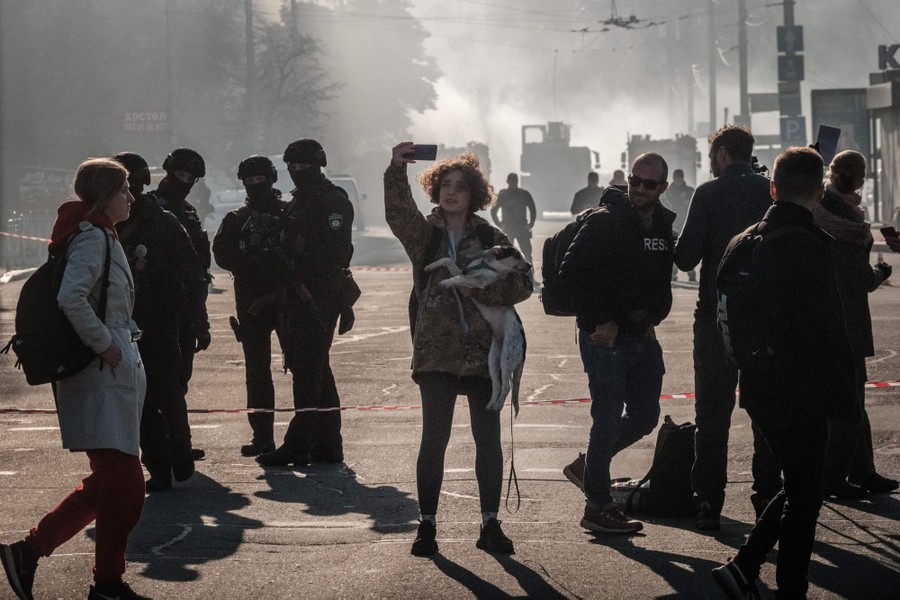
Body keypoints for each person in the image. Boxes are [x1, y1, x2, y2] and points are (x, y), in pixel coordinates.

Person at [712, 146, 860, 599]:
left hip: (757, 381)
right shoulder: (810, 246)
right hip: (802, 386)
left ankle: (744, 567)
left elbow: (724, 315)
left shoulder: (742, 242)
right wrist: (845, 397)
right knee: (805, 494)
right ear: (817, 192)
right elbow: (827, 327)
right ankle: (786, 586)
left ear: (773, 187)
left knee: (800, 484)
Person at [1, 159, 150, 600]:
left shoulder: (102, 235)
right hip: (98, 376)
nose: (131, 197)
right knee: (125, 487)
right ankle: (106, 582)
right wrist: (107, 345)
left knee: (107, 484)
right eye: (125, 190)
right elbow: (72, 297)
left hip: (110, 375)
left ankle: (31, 553)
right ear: (106, 194)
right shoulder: (92, 238)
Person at [385, 142, 533, 556]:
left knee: (487, 441)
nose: (451, 192)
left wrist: (483, 285)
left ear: (474, 195)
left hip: (483, 353)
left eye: (460, 187)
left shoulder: (490, 236)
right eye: (444, 185)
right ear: (436, 191)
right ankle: (427, 526)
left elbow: (524, 282)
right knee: (434, 439)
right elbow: (397, 211)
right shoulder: (425, 236)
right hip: (435, 351)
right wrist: (396, 167)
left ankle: (489, 525)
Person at [558, 152, 675, 534]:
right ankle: (598, 507)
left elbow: (657, 280)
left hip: (642, 335)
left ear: (663, 187)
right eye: (635, 181)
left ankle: (585, 468)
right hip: (604, 338)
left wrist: (652, 318)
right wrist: (600, 319)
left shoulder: (661, 224)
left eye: (649, 184)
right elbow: (570, 273)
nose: (640, 189)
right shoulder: (606, 221)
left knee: (645, 417)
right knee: (606, 420)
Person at [673, 125, 781, 531]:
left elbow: (685, 259)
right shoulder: (771, 190)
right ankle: (767, 497)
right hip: (765, 317)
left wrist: (666, 231)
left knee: (712, 411)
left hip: (716, 315)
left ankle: (708, 500)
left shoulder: (708, 193)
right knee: (765, 409)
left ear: (720, 154)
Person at [254, 139, 354, 466]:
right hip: (298, 292)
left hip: (320, 294)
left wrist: (298, 261)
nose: (297, 173)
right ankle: (328, 444)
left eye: (303, 167)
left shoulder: (332, 200)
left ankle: (299, 444)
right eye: (292, 168)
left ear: (318, 164)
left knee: (308, 372)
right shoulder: (299, 201)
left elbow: (336, 252)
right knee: (315, 370)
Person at [113, 151, 207, 492]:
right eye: (124, 185)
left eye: (133, 185)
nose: (130, 192)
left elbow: (195, 274)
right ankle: (158, 463)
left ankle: (179, 450)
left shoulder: (163, 221)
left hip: (160, 319)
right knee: (136, 398)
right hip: (119, 324)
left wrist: (199, 320)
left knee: (165, 390)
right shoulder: (101, 225)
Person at [814, 150, 897, 498]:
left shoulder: (823, 208)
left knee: (853, 402)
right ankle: (835, 478)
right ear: (859, 178)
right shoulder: (849, 220)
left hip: (829, 318)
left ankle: (864, 471)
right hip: (847, 321)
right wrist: (882, 271)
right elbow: (858, 278)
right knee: (848, 405)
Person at [213, 155, 290, 458]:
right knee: (257, 373)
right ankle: (263, 436)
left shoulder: (290, 215)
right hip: (250, 303)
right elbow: (221, 254)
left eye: (261, 179)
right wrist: (252, 262)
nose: (256, 185)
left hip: (287, 300)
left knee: (303, 368)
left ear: (272, 179)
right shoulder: (235, 220)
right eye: (251, 181)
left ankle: (306, 434)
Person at [146, 148, 212, 424]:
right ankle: (163, 442)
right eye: (179, 174)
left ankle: (176, 439)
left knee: (181, 375)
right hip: (158, 307)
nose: (184, 181)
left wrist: (201, 318)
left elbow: (198, 266)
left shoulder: (188, 211)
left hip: (186, 304)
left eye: (190, 177)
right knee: (160, 379)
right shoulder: (149, 208)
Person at [490, 173, 537, 263]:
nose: (513, 183)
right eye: (511, 181)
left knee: (527, 254)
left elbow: (532, 209)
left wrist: (530, 224)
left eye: (515, 181)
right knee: (505, 255)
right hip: (508, 228)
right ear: (508, 182)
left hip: (522, 227)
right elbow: (493, 211)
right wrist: (500, 225)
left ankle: (530, 274)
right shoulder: (503, 195)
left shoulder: (524, 194)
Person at [661, 168, 696, 282]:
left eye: (679, 177)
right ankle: (672, 272)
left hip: (686, 222)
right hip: (673, 223)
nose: (677, 179)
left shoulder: (690, 191)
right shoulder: (667, 192)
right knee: (672, 249)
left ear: (682, 178)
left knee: (687, 248)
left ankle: (691, 272)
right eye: (676, 177)